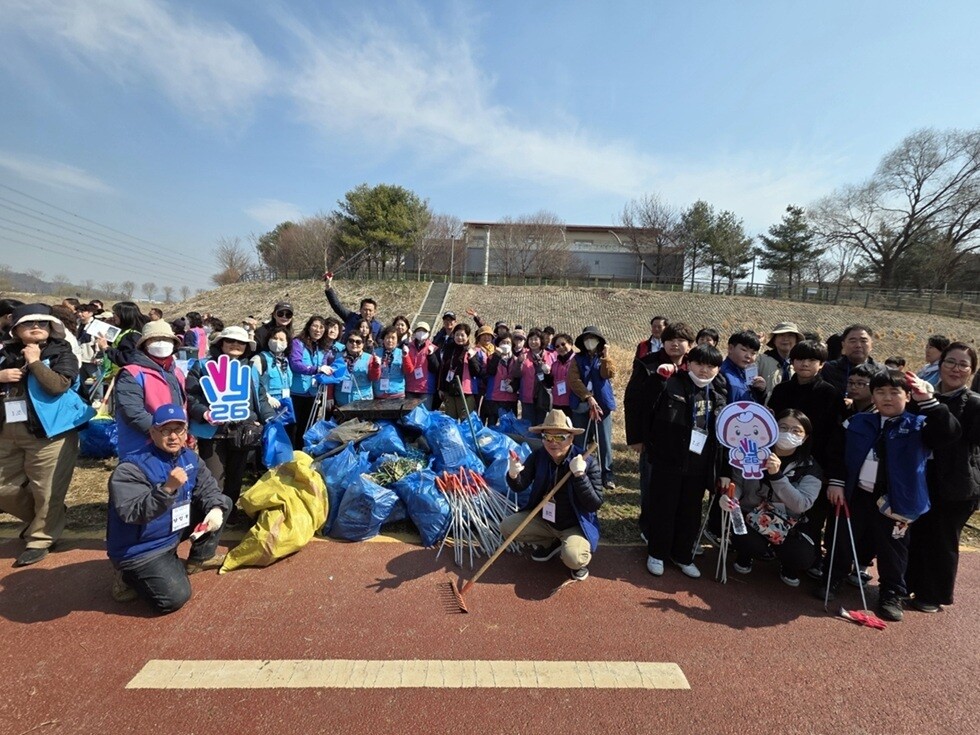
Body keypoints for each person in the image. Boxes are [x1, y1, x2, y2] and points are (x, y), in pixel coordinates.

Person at [819, 369, 960, 622]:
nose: (887, 398)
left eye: (895, 392)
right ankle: (833, 578)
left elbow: (949, 433)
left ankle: (891, 593)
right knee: (842, 539)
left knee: (894, 548)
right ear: (872, 395)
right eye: (880, 392)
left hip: (897, 501)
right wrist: (837, 483)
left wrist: (928, 401)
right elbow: (836, 453)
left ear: (907, 396)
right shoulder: (856, 422)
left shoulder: (919, 424)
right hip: (856, 495)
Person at [106, 404, 231, 612]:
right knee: (175, 598)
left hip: (172, 529)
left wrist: (216, 509)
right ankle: (127, 576)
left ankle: (199, 558)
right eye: (165, 430)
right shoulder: (131, 468)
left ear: (186, 432)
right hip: (143, 547)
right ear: (153, 432)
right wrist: (167, 489)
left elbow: (208, 488)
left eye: (179, 429)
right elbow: (132, 512)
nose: (173, 436)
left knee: (223, 502)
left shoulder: (189, 457)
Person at [0, 304, 86, 567]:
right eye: (28, 323)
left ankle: (40, 538)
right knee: (4, 488)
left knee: (47, 489)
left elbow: (58, 385)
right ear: (16, 329)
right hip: (8, 430)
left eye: (42, 322)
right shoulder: (4, 353)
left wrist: (35, 362)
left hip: (51, 432)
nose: (36, 326)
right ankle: (48, 518)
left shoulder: (62, 352)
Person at [643, 344, 728, 579]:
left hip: (699, 466)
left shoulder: (719, 394)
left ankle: (682, 555)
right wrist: (657, 379)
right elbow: (647, 406)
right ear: (688, 363)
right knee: (664, 508)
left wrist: (722, 470)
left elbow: (724, 436)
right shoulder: (670, 383)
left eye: (711, 366)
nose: (704, 370)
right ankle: (657, 553)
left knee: (690, 513)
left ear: (718, 369)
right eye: (699, 364)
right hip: (668, 460)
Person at [906, 342, 980, 613]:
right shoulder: (921, 395)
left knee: (941, 540)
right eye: (950, 362)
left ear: (971, 371)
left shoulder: (974, 403)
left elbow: (963, 437)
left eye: (963, 365)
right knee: (917, 534)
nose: (955, 369)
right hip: (923, 478)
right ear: (940, 364)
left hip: (956, 484)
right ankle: (907, 584)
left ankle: (932, 594)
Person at [500, 409, 603, 582]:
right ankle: (550, 542)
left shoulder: (587, 462)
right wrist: (513, 474)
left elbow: (595, 504)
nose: (552, 443)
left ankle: (577, 560)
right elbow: (520, 486)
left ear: (571, 438)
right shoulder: (539, 456)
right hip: (545, 520)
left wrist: (580, 476)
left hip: (575, 525)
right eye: (547, 437)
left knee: (573, 557)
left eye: (560, 437)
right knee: (507, 527)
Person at [724, 409, 823, 587]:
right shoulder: (751, 452)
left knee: (802, 556)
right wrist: (731, 498)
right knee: (743, 536)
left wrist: (777, 476)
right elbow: (738, 482)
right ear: (772, 429)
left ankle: (788, 565)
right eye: (782, 427)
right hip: (750, 514)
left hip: (788, 523)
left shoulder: (810, 467)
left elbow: (801, 504)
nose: (788, 433)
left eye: (796, 431)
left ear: (805, 437)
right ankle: (745, 554)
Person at [186, 326, 275, 506]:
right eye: (230, 341)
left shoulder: (250, 369)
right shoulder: (202, 366)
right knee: (213, 479)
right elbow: (191, 395)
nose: (235, 344)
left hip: (243, 431)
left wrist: (270, 418)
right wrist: (204, 413)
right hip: (212, 432)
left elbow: (260, 397)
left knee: (235, 478)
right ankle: (210, 512)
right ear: (221, 343)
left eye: (241, 342)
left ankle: (229, 511)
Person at [624, 322, 696, 540]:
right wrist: (636, 438)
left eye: (681, 340)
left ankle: (674, 530)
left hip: (685, 439)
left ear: (690, 345)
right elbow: (633, 401)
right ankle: (648, 527)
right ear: (662, 343)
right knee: (651, 484)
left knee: (680, 488)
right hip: (653, 438)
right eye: (670, 340)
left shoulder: (695, 367)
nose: (675, 344)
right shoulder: (647, 364)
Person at [114, 320, 187, 459]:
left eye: (166, 339)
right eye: (155, 339)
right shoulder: (131, 373)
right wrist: (164, 433)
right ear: (144, 344)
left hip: (174, 443)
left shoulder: (177, 372)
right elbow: (133, 412)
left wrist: (181, 434)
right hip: (142, 448)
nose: (161, 343)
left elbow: (183, 406)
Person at [568, 326, 617, 489]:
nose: (589, 342)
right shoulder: (577, 359)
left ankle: (607, 474)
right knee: (580, 440)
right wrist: (588, 397)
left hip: (603, 404)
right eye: (586, 339)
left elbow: (608, 374)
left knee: (604, 440)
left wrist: (606, 357)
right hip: (581, 404)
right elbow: (573, 380)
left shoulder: (603, 358)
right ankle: (580, 471)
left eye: (593, 338)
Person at [289, 316, 341, 446]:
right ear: (308, 327)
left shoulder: (321, 347)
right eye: (315, 326)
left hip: (313, 393)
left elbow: (324, 364)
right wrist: (316, 369)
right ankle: (293, 452)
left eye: (321, 327)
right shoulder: (298, 343)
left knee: (308, 425)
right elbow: (295, 364)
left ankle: (304, 451)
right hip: (297, 392)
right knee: (294, 426)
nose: (318, 330)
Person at [435, 323, 482, 419]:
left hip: (465, 392)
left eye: (462, 335)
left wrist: (471, 358)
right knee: (450, 419)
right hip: (449, 390)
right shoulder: (449, 350)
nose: (459, 338)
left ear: (467, 336)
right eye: (457, 335)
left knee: (465, 420)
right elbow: (443, 370)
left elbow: (476, 372)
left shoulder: (473, 351)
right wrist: (441, 388)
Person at [820, 324, 883, 395]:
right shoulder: (828, 369)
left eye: (863, 341)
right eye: (853, 341)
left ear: (871, 345)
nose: (858, 345)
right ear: (843, 345)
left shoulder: (881, 372)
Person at [324, 274, 383, 340]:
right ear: (360, 310)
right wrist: (328, 288)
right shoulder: (351, 317)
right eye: (365, 309)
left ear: (375, 312)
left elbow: (380, 343)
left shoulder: (378, 327)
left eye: (370, 310)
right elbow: (337, 305)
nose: (367, 312)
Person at [251, 327, 293, 415]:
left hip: (284, 405)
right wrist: (268, 398)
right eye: (274, 338)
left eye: (281, 339)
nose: (277, 342)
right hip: (267, 407)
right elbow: (253, 384)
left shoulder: (286, 360)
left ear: (287, 343)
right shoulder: (259, 359)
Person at [518, 328, 555, 426]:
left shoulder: (550, 355)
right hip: (527, 396)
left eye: (536, 339)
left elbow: (554, 376)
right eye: (531, 339)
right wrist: (519, 362)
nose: (533, 342)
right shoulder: (523, 355)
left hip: (543, 395)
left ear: (541, 340)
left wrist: (548, 372)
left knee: (541, 424)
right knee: (528, 425)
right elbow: (516, 374)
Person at [98, 301, 149, 371]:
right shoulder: (123, 330)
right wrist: (110, 327)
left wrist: (106, 348)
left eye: (115, 313)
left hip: (124, 373)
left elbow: (125, 359)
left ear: (124, 315)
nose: (113, 316)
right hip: (112, 372)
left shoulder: (132, 335)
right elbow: (112, 344)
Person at [719, 330, 767, 404]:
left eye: (753, 353)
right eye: (744, 350)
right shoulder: (721, 373)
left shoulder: (750, 375)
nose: (748, 356)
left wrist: (761, 391)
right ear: (730, 348)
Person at [482, 334, 520, 425]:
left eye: (508, 343)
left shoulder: (516, 360)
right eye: (503, 342)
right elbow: (490, 371)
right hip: (494, 397)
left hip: (510, 398)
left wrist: (513, 387)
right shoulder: (491, 357)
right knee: (492, 425)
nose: (505, 345)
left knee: (510, 426)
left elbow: (519, 377)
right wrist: (497, 356)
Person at [335, 331, 380, 406]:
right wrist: (329, 397)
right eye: (351, 341)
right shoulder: (337, 357)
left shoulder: (369, 358)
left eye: (358, 342)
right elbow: (331, 378)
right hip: (341, 400)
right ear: (346, 342)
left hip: (363, 401)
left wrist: (376, 366)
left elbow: (374, 378)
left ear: (363, 344)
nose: (354, 344)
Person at [757, 321, 805, 386]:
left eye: (790, 335)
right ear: (774, 340)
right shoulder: (762, 360)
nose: (786, 339)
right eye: (781, 335)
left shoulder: (801, 363)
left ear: (796, 341)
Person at [403, 321, 439, 409]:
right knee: (410, 414)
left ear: (428, 333)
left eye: (424, 331)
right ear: (415, 332)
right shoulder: (408, 347)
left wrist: (431, 355)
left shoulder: (434, 348)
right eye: (419, 330)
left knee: (425, 414)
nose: (421, 333)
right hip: (410, 387)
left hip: (426, 388)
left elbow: (435, 368)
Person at [545, 333, 576, 418]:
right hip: (557, 404)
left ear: (570, 344)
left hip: (573, 404)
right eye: (557, 346)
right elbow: (549, 383)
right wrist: (546, 374)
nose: (561, 347)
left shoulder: (577, 361)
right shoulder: (555, 365)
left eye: (563, 344)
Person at [373, 326, 406, 399]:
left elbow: (407, 371)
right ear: (383, 339)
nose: (390, 340)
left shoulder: (402, 353)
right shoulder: (376, 353)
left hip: (397, 393)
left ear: (397, 340)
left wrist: (406, 357)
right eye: (387, 337)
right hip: (379, 393)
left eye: (393, 338)